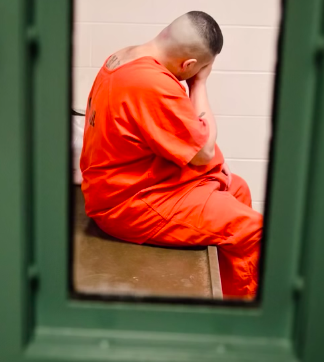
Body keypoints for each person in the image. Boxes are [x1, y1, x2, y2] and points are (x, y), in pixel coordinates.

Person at [80, 11, 264, 299]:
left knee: (238, 188)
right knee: (252, 229)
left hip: (126, 181)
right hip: (127, 204)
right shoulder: (152, 83)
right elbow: (202, 151)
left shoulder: (124, 57)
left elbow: (173, 134)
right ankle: (239, 319)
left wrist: (214, 162)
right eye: (199, 69)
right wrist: (199, 83)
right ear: (189, 64)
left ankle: (227, 295)